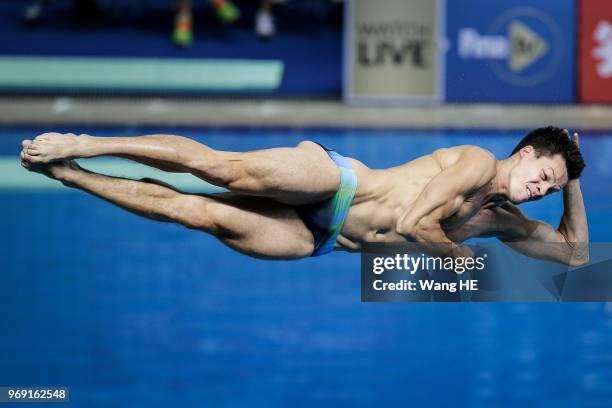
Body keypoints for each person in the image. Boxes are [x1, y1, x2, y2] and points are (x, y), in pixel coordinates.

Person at [19, 126, 588, 266]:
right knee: (222, 170)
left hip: (323, 235)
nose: (543, 189)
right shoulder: (476, 162)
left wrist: (575, 178)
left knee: (192, 212)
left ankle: (74, 175)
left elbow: (577, 256)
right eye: (546, 174)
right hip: (336, 181)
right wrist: (456, 257)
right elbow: (417, 222)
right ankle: (89, 142)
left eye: (551, 189)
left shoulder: (501, 221)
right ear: (526, 152)